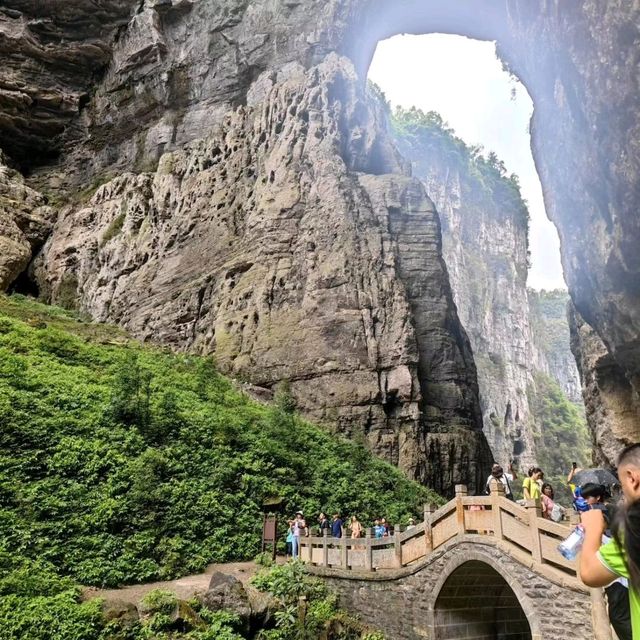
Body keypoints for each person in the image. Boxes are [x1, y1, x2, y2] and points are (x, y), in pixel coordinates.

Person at [580, 444, 640, 640]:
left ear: (633, 478)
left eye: (622, 486)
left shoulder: (635, 530)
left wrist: (592, 530)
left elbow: (590, 573)